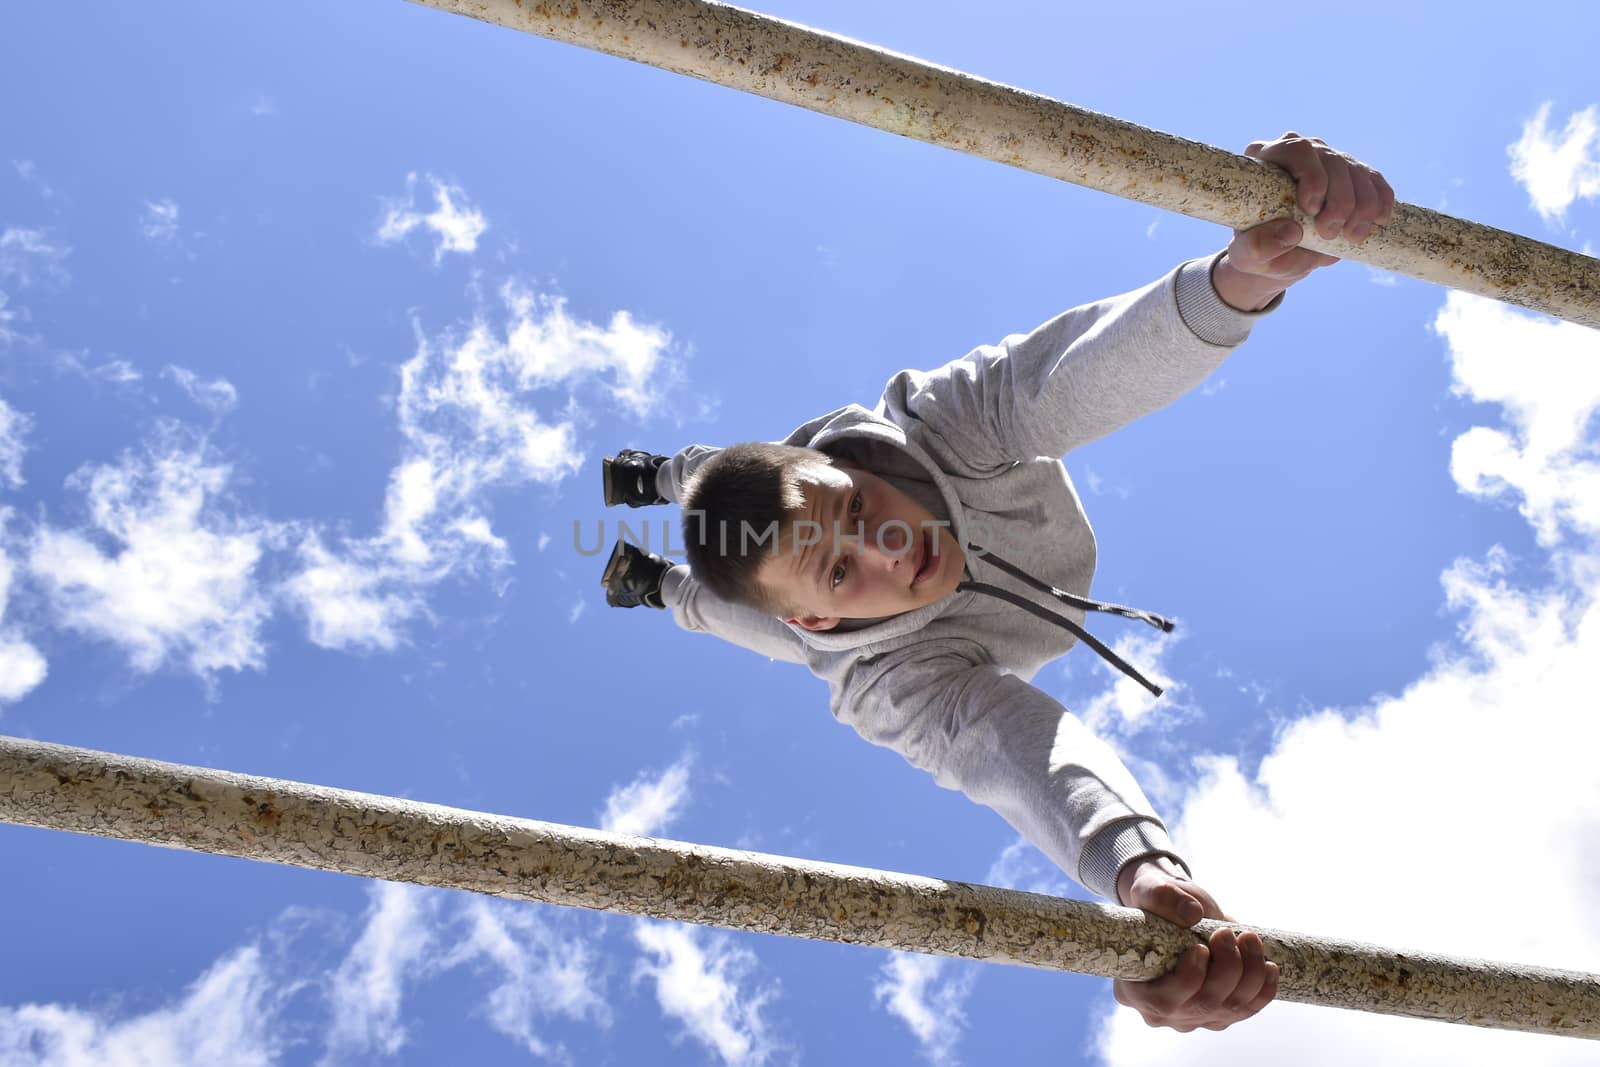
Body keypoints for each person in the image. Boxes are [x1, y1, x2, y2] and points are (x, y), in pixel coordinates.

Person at [597, 132, 1394, 1033]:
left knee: (718, 478)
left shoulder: (941, 422)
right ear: (821, 609)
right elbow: (1015, 750)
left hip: (786, 483)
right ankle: (653, 582)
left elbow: (1069, 376)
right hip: (832, 633)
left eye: (858, 509)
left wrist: (1239, 280)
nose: (893, 554)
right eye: (842, 568)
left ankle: (659, 473)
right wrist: (1138, 868)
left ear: (845, 465)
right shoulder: (887, 681)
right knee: (719, 605)